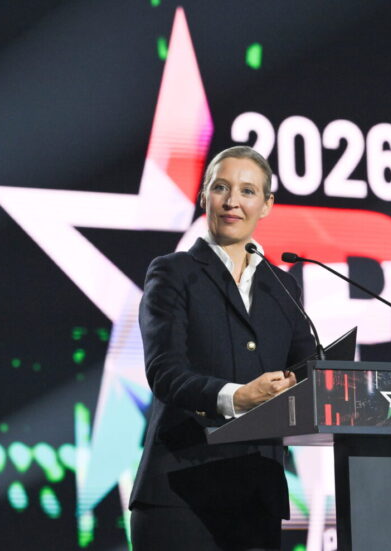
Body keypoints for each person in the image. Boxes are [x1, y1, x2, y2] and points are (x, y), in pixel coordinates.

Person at [129, 146, 316, 550]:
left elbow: (310, 370)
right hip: (178, 494)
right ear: (204, 196)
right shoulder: (173, 272)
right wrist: (239, 398)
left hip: (256, 498)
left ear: (266, 205)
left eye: (248, 191)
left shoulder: (283, 286)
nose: (233, 201)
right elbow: (165, 372)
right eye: (221, 187)